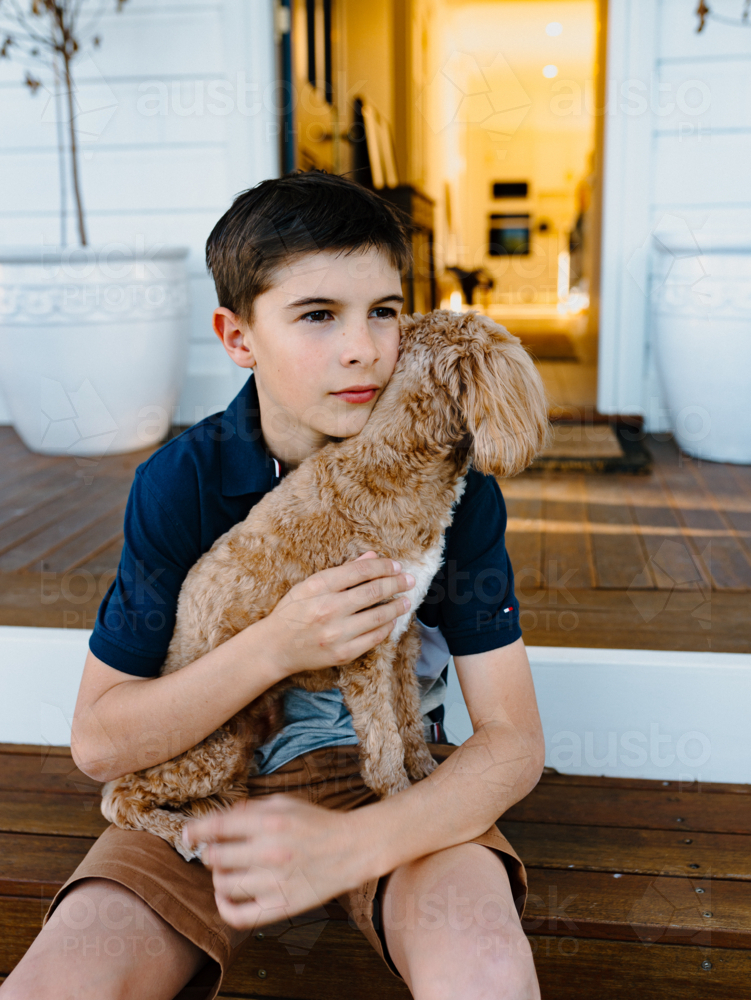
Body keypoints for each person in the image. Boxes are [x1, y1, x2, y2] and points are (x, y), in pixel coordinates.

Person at [1, 170, 545, 1000]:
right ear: (237, 336)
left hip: (384, 781)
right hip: (203, 785)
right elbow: (101, 744)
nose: (363, 347)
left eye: (384, 311)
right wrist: (277, 645)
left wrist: (352, 850)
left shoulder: (448, 482)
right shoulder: (181, 482)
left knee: (485, 970)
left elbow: (512, 740)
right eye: (317, 315)